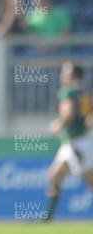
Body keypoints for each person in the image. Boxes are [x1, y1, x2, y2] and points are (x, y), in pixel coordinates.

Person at [44, 62, 93, 220]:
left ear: (73, 76)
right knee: (54, 175)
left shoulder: (68, 92)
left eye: (65, 73)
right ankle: (47, 217)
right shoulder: (85, 93)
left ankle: (47, 217)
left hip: (75, 143)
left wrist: (56, 126)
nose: (62, 76)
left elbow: (68, 115)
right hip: (84, 141)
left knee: (89, 182)